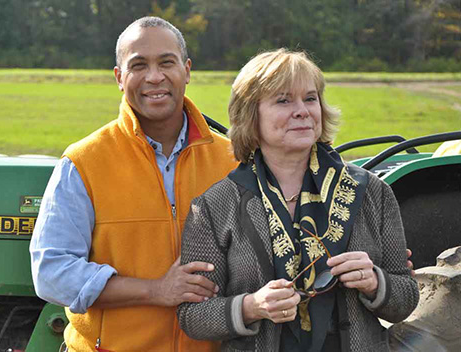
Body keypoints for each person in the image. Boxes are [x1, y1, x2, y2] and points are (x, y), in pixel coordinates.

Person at [177, 49, 419, 351]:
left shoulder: (372, 191)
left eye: (310, 98)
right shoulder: (215, 206)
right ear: (251, 115)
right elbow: (193, 316)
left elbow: (407, 299)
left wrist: (375, 282)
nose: (302, 110)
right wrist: (251, 306)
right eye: (283, 100)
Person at [29, 17, 237, 352]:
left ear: (187, 70)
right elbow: (51, 271)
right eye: (138, 65)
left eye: (166, 62)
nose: (154, 77)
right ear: (119, 77)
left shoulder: (233, 161)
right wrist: (155, 290)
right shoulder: (83, 162)